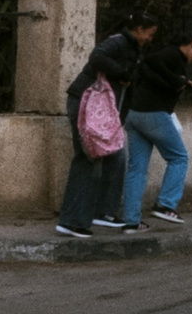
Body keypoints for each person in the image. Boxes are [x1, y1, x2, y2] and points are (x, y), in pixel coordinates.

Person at [54, 13, 154, 239]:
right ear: (138, 29)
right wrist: (122, 72)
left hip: (102, 112)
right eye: (149, 33)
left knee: (116, 157)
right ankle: (71, 221)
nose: (150, 38)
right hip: (86, 105)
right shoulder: (118, 42)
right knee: (87, 159)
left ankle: (104, 212)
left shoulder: (132, 47)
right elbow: (97, 57)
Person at [122, 26, 192, 227]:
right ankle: (165, 205)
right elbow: (153, 63)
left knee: (137, 169)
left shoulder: (168, 56)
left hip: (134, 114)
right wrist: (178, 80)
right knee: (179, 157)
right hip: (154, 113)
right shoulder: (172, 54)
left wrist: (184, 83)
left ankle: (131, 221)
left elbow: (153, 73)